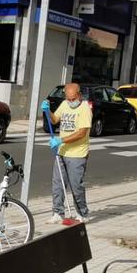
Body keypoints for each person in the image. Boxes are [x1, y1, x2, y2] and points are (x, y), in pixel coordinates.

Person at [42, 82, 92, 224]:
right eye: (68, 99)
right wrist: (48, 111)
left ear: (79, 95)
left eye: (73, 99)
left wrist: (61, 140)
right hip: (62, 152)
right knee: (58, 184)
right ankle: (57, 213)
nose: (70, 102)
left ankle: (82, 213)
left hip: (77, 154)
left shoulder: (85, 109)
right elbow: (55, 120)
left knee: (76, 186)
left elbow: (81, 133)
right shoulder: (64, 104)